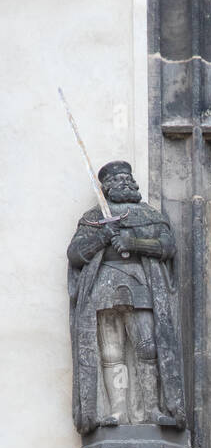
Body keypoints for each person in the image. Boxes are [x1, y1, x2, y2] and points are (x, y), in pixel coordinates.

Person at [67, 160, 186, 433]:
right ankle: (118, 410)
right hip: (105, 286)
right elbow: (75, 254)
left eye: (126, 177)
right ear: (106, 187)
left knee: (147, 347)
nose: (123, 182)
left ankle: (152, 408)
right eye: (116, 179)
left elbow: (167, 246)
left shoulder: (149, 215)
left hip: (141, 284)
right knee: (111, 352)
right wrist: (102, 238)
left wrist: (134, 243)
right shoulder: (93, 217)